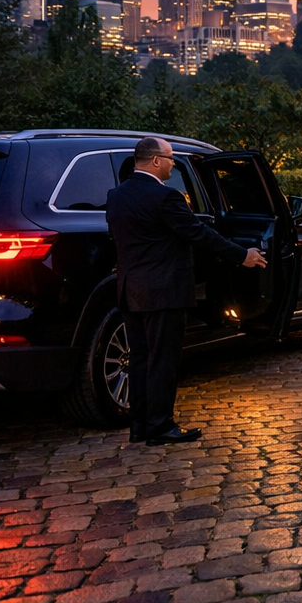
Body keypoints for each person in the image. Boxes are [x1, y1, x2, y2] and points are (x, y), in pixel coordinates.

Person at [105, 136, 265, 445]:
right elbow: (199, 233)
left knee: (138, 360)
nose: (173, 164)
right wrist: (242, 254)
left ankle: (139, 427)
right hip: (163, 291)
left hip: (130, 289)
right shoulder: (167, 198)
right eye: (170, 158)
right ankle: (161, 426)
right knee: (162, 360)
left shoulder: (116, 196)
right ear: (155, 161)